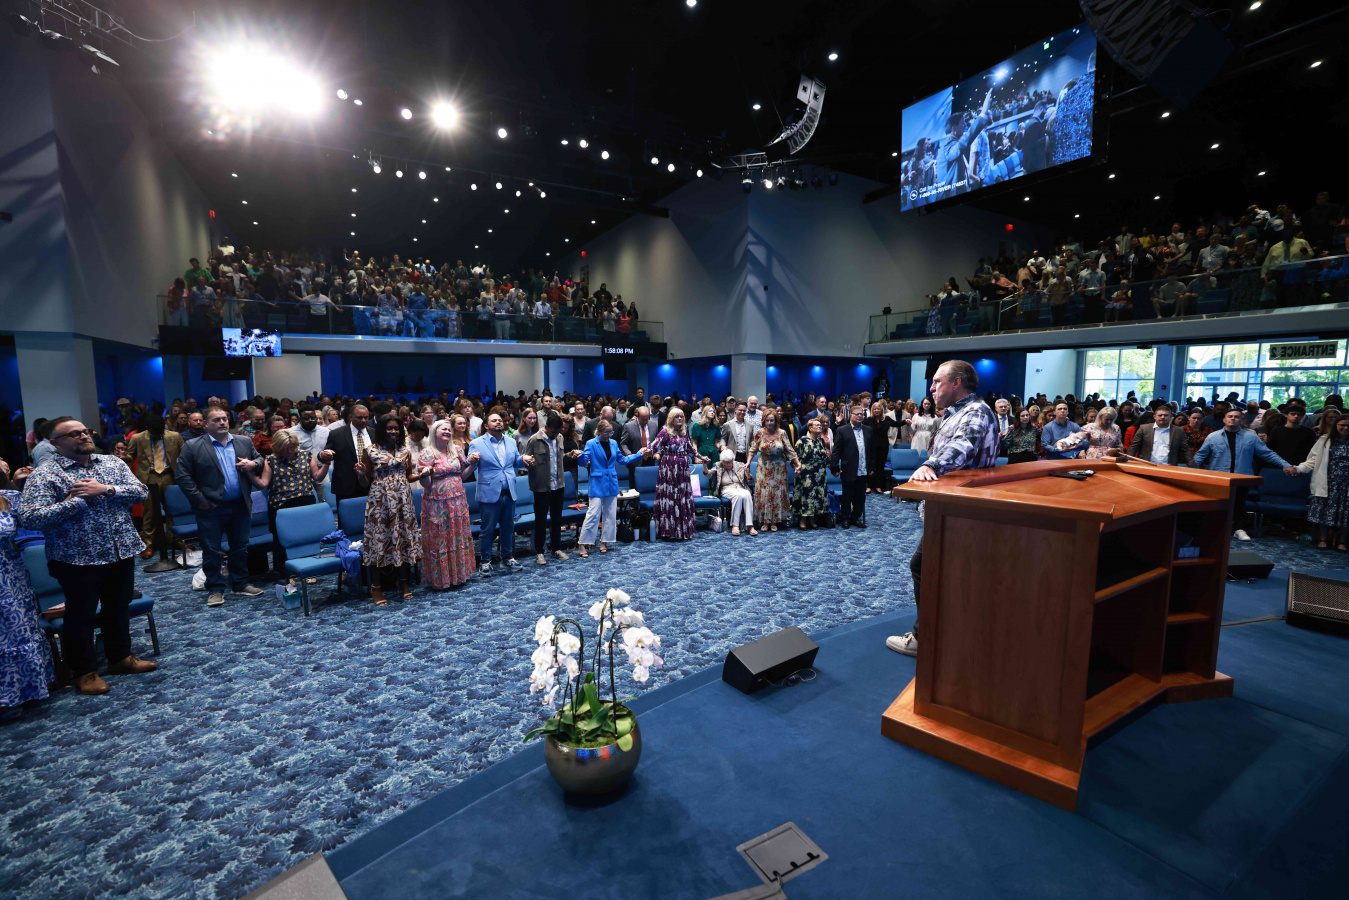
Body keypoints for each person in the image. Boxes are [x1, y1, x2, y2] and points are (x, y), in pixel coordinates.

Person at [18, 417, 157, 695]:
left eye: (85, 431)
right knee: (81, 615)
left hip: (119, 550)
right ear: (56, 443)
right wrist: (78, 502)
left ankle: (120, 657)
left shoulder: (111, 463)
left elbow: (141, 492)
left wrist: (106, 490)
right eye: (74, 434)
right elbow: (30, 517)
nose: (83, 436)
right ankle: (84, 671)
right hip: (76, 558)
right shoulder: (45, 475)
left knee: (117, 606)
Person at [887, 360, 999, 658]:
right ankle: (947, 635)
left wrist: (932, 464)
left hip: (959, 512)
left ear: (956, 383)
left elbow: (963, 445)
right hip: (951, 509)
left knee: (925, 568)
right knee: (942, 572)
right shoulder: (957, 412)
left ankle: (925, 639)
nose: (932, 388)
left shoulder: (975, 412)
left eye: (937, 381)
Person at [174, 406, 266, 608]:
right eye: (216, 420)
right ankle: (215, 588)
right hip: (211, 507)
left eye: (224, 418)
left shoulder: (243, 441)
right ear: (206, 424)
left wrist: (253, 464)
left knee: (240, 547)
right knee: (211, 550)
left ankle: (240, 584)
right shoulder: (193, 446)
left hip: (240, 504)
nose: (222, 422)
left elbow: (259, 459)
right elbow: (182, 475)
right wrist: (200, 500)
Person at [1193, 407, 1298, 541]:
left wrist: (1285, 465)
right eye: (1230, 416)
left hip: (1242, 477)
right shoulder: (1213, 437)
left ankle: (1239, 529)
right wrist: (1187, 471)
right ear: (1224, 420)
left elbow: (1267, 454)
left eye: (1236, 417)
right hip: (1219, 477)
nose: (1233, 419)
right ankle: (1217, 528)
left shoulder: (1251, 437)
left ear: (1242, 420)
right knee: (1217, 504)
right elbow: (1200, 456)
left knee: (1240, 504)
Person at [355, 414, 423, 605]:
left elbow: (408, 476)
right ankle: (376, 587)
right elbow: (365, 483)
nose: (393, 431)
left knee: (403, 538)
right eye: (389, 428)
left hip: (403, 500)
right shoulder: (370, 450)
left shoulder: (405, 450)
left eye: (396, 428)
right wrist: (361, 474)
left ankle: (404, 582)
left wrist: (423, 475)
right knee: (380, 540)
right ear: (381, 430)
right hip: (380, 501)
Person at [0, 480, 53, 719]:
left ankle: (30, 687)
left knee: (20, 630)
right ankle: (6, 699)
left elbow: (36, 522)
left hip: (13, 576)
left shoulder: (10, 497)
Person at [255, 428, 330, 585]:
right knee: (281, 542)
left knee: (306, 538)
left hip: (305, 502)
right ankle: (286, 574)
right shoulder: (271, 460)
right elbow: (263, 484)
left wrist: (327, 464)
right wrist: (249, 473)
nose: (290, 452)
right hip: (281, 505)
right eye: (286, 449)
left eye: (292, 447)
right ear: (278, 448)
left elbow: (317, 477)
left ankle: (307, 569)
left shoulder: (306, 455)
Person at [468, 412, 534, 576]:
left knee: (508, 527)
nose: (498, 422)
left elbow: (515, 461)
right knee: (487, 530)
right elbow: (471, 464)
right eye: (494, 420)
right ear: (486, 425)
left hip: (509, 491)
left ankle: (508, 557)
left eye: (500, 420)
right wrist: (471, 460)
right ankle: (485, 561)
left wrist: (523, 459)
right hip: (489, 492)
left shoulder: (510, 441)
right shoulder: (477, 443)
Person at [418, 421, 480, 589]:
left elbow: (463, 476)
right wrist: (424, 475)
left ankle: (460, 575)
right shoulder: (427, 453)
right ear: (434, 432)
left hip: (457, 501)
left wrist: (473, 464)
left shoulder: (457, 450)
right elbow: (426, 484)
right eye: (443, 429)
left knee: (457, 535)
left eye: (448, 429)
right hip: (437, 504)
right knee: (440, 538)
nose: (447, 431)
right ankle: (442, 579)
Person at [577, 419, 647, 557]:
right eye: (606, 432)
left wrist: (639, 454)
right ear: (599, 431)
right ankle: (582, 543)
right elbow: (583, 462)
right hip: (597, 483)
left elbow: (623, 460)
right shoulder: (591, 443)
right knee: (593, 514)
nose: (609, 435)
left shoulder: (614, 443)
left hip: (612, 483)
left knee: (610, 514)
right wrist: (580, 455)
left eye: (611, 432)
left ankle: (605, 542)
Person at [124, 412, 184, 559]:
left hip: (169, 475)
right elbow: (131, 456)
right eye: (154, 432)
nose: (157, 434)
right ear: (147, 428)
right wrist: (123, 458)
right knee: (149, 513)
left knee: (173, 510)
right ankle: (148, 544)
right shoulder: (137, 438)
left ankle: (175, 539)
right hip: (148, 477)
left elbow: (184, 455)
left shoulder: (174, 436)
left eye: (160, 432)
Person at [525, 413, 579, 565]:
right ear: (546, 427)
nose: (555, 434)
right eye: (553, 432)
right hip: (541, 486)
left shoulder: (559, 438)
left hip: (558, 484)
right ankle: (540, 552)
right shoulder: (534, 440)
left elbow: (560, 457)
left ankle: (556, 548)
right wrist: (530, 463)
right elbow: (525, 460)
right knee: (541, 520)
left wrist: (570, 455)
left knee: (557, 519)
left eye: (558, 432)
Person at [649, 407, 707, 541]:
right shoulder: (665, 432)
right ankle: (669, 530)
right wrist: (647, 451)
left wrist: (701, 457)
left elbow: (690, 449)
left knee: (682, 496)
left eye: (681, 416)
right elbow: (654, 446)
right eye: (677, 416)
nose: (680, 418)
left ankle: (682, 530)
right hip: (669, 468)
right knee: (670, 496)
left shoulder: (684, 432)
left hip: (683, 469)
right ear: (671, 419)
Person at [1296, 416, 1349, 550]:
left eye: (1348, 426)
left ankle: (1342, 541)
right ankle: (1323, 538)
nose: (1345, 428)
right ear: (1336, 425)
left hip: (1345, 483)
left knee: (1345, 512)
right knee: (1324, 510)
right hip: (1327, 481)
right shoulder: (1325, 440)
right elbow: (1313, 459)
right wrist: (1300, 468)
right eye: (1342, 425)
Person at [748, 411, 799, 532]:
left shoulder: (782, 433)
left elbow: (790, 450)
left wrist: (797, 463)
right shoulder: (759, 433)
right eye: (767, 420)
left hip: (778, 468)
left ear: (776, 421)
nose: (770, 423)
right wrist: (748, 462)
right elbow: (753, 449)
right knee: (764, 493)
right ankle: (765, 521)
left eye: (772, 420)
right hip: (764, 467)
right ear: (763, 421)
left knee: (777, 493)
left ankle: (775, 521)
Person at [830, 405, 872, 530]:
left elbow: (872, 450)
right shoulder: (842, 430)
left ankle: (855, 518)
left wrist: (872, 467)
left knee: (860, 496)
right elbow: (836, 451)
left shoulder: (868, 430)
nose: (860, 416)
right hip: (848, 468)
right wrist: (834, 467)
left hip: (864, 469)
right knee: (847, 496)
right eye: (857, 414)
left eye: (861, 414)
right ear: (851, 415)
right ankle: (846, 518)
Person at [328, 404, 374, 502]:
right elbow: (326, 453)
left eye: (366, 417)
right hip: (345, 484)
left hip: (371, 484)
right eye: (359, 417)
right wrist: (323, 455)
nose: (363, 420)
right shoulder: (336, 434)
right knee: (346, 511)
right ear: (350, 417)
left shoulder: (374, 434)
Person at [792, 417, 831, 528]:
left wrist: (834, 469)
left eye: (820, 425)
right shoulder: (802, 440)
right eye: (817, 425)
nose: (820, 426)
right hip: (806, 474)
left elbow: (825, 457)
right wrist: (797, 468)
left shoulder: (821, 440)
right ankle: (803, 520)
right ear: (810, 428)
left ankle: (813, 519)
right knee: (806, 496)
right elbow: (794, 458)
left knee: (817, 496)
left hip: (820, 473)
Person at [1125, 405, 1193, 466]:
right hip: (1146, 465)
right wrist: (1127, 462)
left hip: (1169, 467)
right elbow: (1133, 447)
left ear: (1170, 417)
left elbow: (1185, 450)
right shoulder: (1144, 428)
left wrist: (1193, 467)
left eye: (1166, 415)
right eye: (1160, 415)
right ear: (1154, 417)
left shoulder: (1178, 431)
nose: (1163, 417)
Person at [710, 449, 755, 536]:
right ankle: (735, 525)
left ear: (733, 460)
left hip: (740, 488)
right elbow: (708, 474)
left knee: (747, 494)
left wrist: (748, 474)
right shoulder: (718, 466)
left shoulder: (740, 465)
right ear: (722, 461)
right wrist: (705, 466)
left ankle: (750, 525)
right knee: (737, 496)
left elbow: (750, 481)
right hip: (726, 489)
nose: (728, 464)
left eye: (729, 462)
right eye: (725, 462)